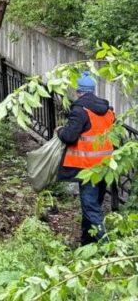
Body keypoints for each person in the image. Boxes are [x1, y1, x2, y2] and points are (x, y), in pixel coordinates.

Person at [57, 72, 115, 245]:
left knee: (90, 208)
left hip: (87, 169)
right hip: (105, 167)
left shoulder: (80, 111)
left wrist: (59, 130)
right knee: (93, 207)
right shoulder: (108, 110)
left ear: (79, 91)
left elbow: (69, 136)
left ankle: (106, 247)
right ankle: (86, 243)